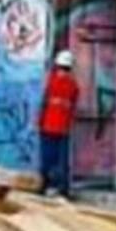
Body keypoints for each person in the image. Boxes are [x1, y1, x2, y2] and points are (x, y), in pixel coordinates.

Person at [38, 49, 79, 197]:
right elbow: (73, 107)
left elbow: (44, 103)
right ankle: (63, 189)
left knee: (47, 158)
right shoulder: (73, 86)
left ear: (57, 65)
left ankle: (44, 186)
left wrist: (39, 122)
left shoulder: (51, 82)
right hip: (63, 129)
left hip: (48, 126)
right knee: (62, 160)